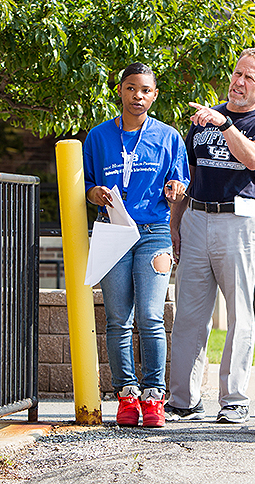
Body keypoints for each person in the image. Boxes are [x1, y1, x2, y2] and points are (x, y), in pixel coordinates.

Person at [165, 48, 255, 424]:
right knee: (189, 313)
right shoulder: (204, 119)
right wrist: (176, 221)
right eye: (237, 73)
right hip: (196, 217)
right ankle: (183, 400)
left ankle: (233, 399)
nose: (239, 81)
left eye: (250, 77)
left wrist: (225, 125)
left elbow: (252, 158)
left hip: (240, 221)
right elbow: (188, 173)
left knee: (239, 315)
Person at [83, 62, 190, 428]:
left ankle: (154, 396)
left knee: (150, 316)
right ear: (120, 91)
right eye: (131, 88)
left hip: (154, 232)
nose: (137, 96)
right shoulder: (98, 136)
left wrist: (176, 188)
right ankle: (127, 396)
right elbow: (87, 185)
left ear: (154, 95)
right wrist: (94, 193)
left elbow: (180, 181)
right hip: (112, 229)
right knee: (118, 319)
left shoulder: (169, 137)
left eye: (145, 90)